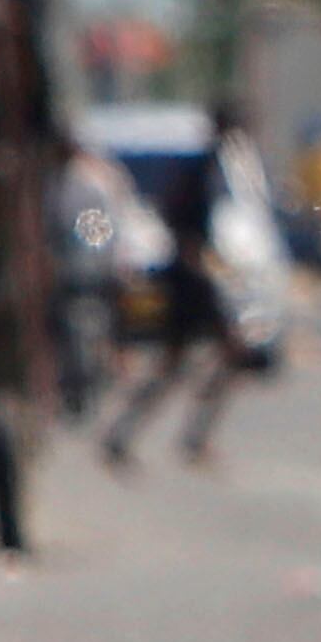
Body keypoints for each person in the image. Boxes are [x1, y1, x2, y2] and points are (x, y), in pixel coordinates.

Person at [103, 110, 242, 473]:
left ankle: (126, 436)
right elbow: (175, 215)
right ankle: (190, 439)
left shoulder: (208, 166)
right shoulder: (200, 167)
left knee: (175, 366)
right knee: (229, 351)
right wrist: (191, 254)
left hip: (189, 275)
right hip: (188, 279)